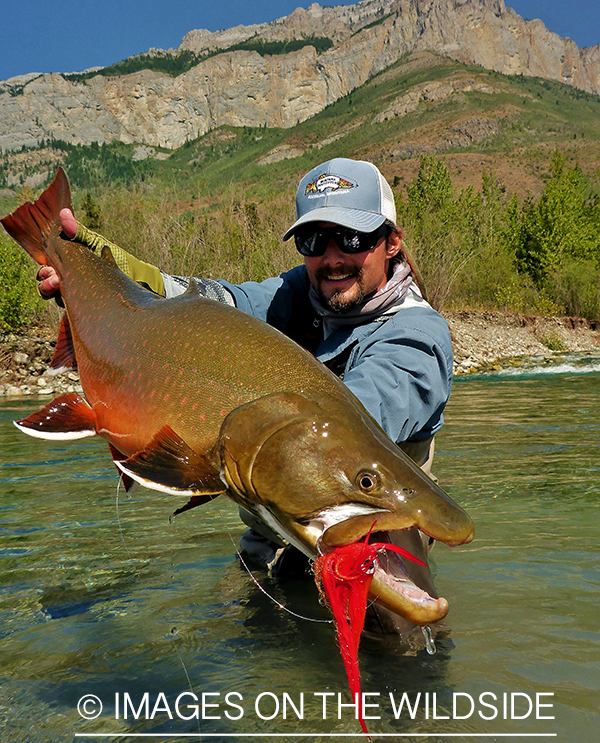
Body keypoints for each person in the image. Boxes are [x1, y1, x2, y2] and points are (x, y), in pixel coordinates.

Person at [38, 157, 453, 573]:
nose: (332, 259)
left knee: (398, 635)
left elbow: (360, 414)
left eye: (351, 238)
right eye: (312, 240)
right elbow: (218, 303)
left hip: (375, 540)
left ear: (391, 242)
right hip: (272, 528)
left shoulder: (417, 336)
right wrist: (112, 273)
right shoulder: (300, 291)